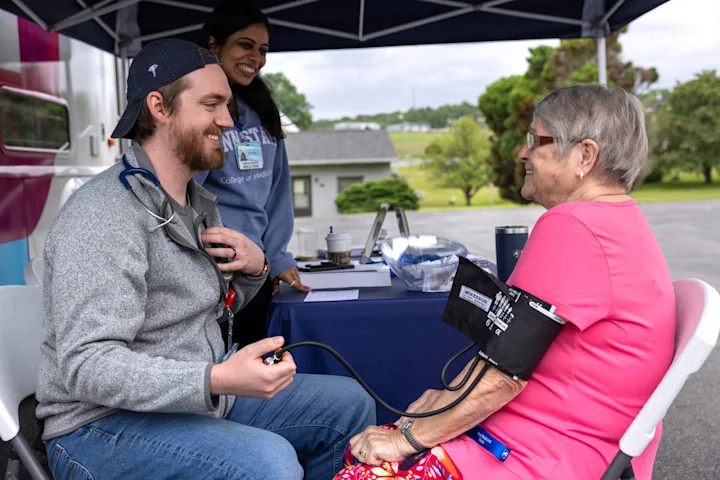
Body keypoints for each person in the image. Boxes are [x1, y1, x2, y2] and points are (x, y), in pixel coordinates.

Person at [35, 38, 375, 480]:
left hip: (192, 400)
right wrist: (215, 379)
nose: (228, 121)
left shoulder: (197, 204)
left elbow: (208, 311)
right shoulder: (104, 214)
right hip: (101, 425)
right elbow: (88, 366)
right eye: (212, 104)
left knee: (349, 405)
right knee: (269, 464)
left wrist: (255, 271)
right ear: (159, 106)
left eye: (229, 106)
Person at [334, 84, 676, 480]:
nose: (523, 152)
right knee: (368, 447)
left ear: (585, 154)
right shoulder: (617, 220)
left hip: (549, 454)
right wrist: (443, 404)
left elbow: (503, 375)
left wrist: (409, 439)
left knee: (366, 467)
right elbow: (507, 354)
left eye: (537, 139)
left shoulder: (573, 226)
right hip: (572, 442)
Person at [194, 1, 310, 349]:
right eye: (245, 45)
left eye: (263, 50)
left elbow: (277, 192)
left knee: (255, 365)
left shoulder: (262, 110)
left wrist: (277, 257)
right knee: (216, 372)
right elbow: (181, 192)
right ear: (214, 45)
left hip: (255, 270)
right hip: (209, 271)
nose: (256, 58)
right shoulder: (195, 110)